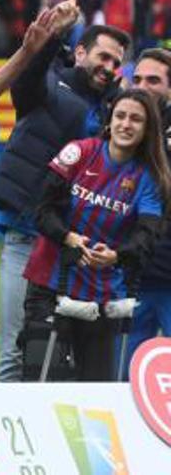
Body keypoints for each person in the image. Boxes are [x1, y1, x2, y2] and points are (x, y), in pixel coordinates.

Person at [0, 5, 129, 382]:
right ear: (79, 52)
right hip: (28, 237)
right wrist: (51, 39)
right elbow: (26, 81)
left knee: (67, 357)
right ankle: (5, 440)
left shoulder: (113, 111)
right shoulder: (51, 84)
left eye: (116, 62)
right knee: (17, 350)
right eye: (102, 56)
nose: (109, 67)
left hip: (75, 248)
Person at [22, 89, 169, 380]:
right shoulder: (79, 152)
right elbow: (41, 210)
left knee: (96, 388)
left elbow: (147, 233)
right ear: (109, 120)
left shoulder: (148, 179)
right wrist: (69, 238)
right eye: (121, 116)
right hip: (52, 283)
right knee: (43, 377)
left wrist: (118, 256)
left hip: (103, 295)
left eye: (136, 119)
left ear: (148, 129)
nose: (126, 124)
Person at [125, 48, 171, 371]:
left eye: (153, 80)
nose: (142, 86)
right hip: (130, 276)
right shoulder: (119, 125)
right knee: (123, 383)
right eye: (137, 78)